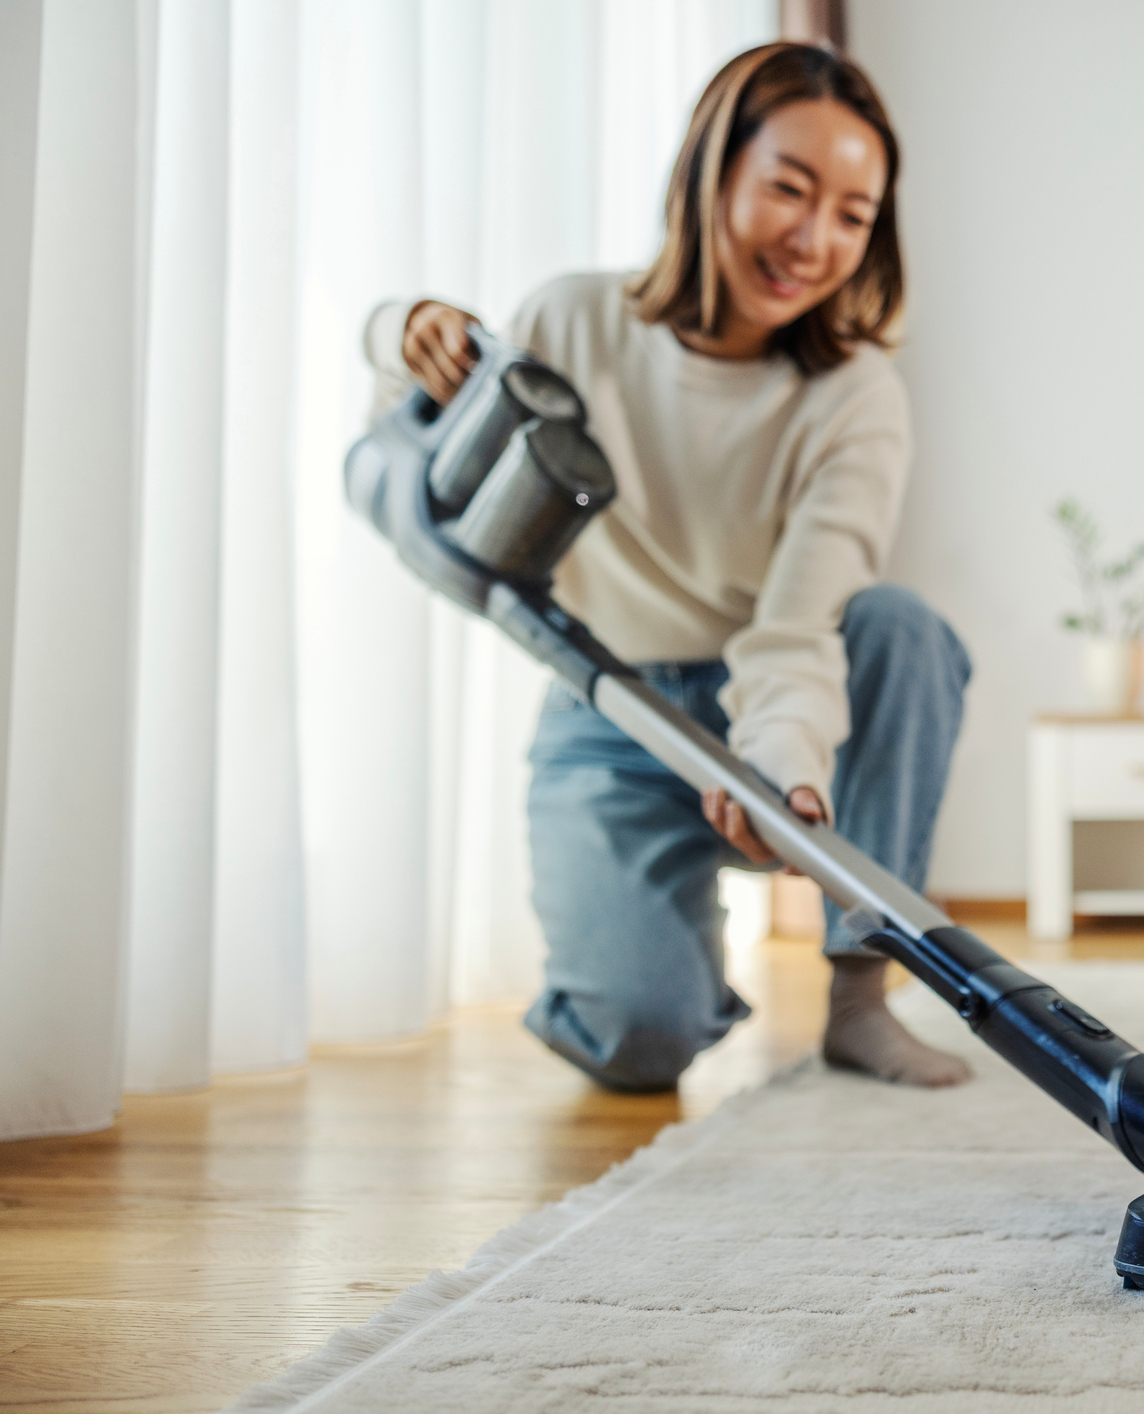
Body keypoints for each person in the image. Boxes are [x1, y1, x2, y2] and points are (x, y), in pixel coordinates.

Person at [362, 43, 972, 1093]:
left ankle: (861, 997)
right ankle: (649, 976)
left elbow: (801, 622)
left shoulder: (855, 395)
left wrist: (782, 762)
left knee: (903, 629)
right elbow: (411, 461)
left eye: (853, 214)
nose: (814, 238)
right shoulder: (568, 322)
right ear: (712, 170)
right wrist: (396, 331)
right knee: (637, 1043)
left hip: (769, 696)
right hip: (611, 709)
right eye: (789, 187)